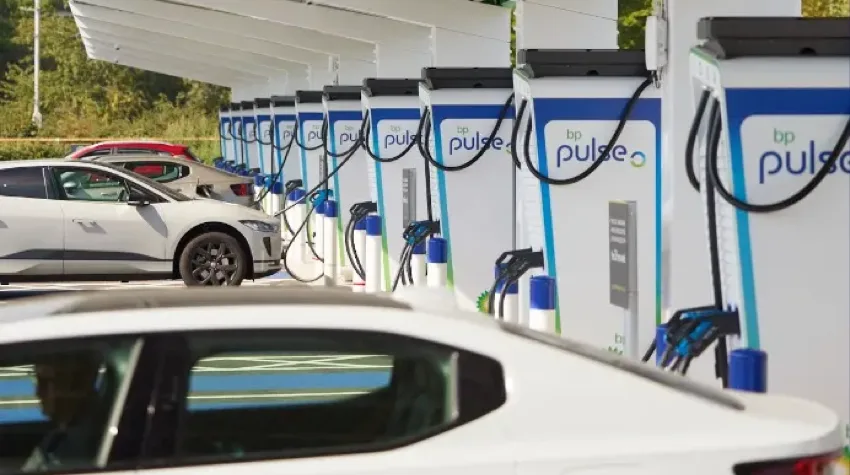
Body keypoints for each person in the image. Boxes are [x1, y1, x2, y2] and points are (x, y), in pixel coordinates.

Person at [21, 352, 103, 472]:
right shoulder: (58, 436)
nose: (37, 393)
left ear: (74, 385)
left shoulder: (86, 446)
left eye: (44, 384)